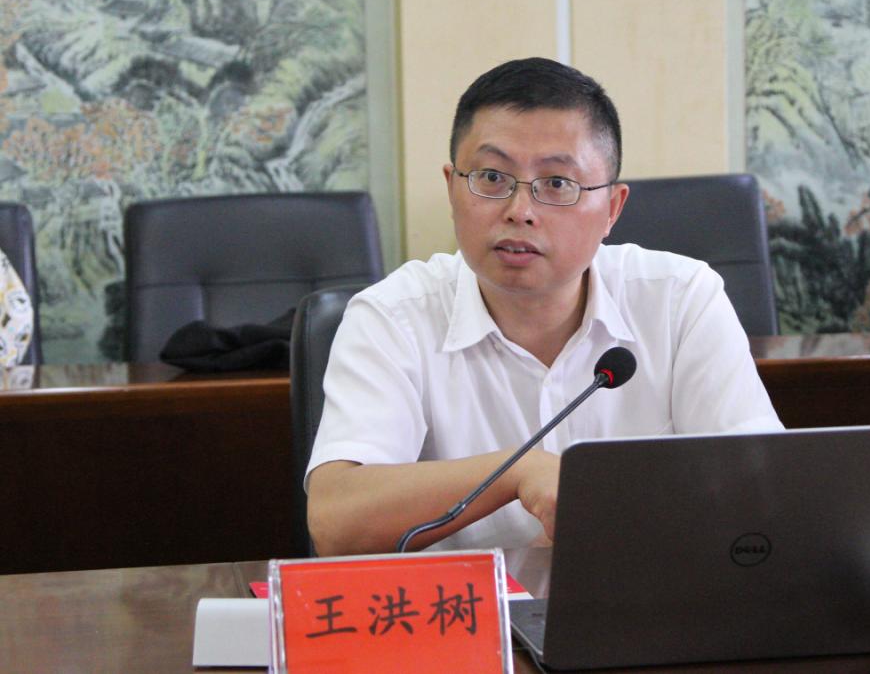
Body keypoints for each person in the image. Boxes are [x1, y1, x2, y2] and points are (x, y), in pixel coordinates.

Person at [306, 57, 783, 555]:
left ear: (612, 209)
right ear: (451, 187)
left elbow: (763, 491)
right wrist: (515, 472)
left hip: (646, 596)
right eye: (492, 177)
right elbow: (335, 523)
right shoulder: (393, 316)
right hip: (466, 606)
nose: (520, 211)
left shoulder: (680, 301)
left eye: (557, 184)